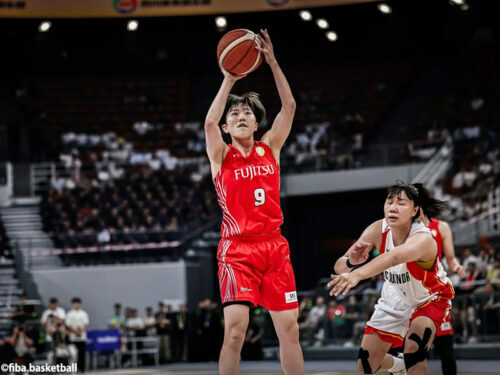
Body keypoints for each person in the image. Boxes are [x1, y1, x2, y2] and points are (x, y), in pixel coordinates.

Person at [204, 29, 303, 375]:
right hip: (237, 250)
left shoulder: (270, 148)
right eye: (234, 114)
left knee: (290, 331)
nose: (241, 116)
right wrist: (228, 81)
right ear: (227, 127)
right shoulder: (220, 155)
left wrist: (272, 61)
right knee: (234, 331)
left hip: (274, 246)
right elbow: (208, 122)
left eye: (247, 113)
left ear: (257, 122)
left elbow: (289, 106)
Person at [328, 182, 454, 375]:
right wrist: (351, 262)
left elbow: (393, 257)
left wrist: (356, 275)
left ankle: (408, 362)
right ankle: (398, 366)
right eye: (389, 201)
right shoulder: (378, 228)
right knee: (366, 363)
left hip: (429, 299)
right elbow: (339, 266)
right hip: (394, 300)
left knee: (414, 350)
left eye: (401, 203)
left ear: (415, 210)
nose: (393, 207)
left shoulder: (423, 238)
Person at [421, 215, 465, 375]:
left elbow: (451, 258)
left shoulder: (441, 227)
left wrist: (457, 266)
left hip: (436, 292)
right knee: (412, 350)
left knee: (445, 349)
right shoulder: (405, 226)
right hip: (412, 293)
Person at [65, 297, 89, 372]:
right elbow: (68, 325)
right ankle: (73, 369)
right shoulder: (70, 314)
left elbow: (86, 324)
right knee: (73, 354)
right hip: (73, 337)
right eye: (75, 304)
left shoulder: (83, 313)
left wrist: (81, 331)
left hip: (82, 337)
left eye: (77, 304)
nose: (76, 305)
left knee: (82, 354)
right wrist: (75, 331)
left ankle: (82, 369)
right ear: (73, 304)